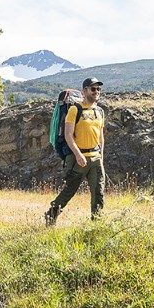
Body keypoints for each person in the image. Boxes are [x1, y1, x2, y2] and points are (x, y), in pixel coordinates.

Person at [44, 78, 106, 225]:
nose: (96, 92)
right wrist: (78, 154)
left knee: (98, 193)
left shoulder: (99, 111)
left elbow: (100, 136)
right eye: (93, 89)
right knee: (69, 191)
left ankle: (96, 225)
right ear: (84, 91)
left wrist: (101, 157)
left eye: (98, 89)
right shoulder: (74, 110)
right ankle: (51, 215)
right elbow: (68, 135)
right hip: (79, 159)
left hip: (95, 158)